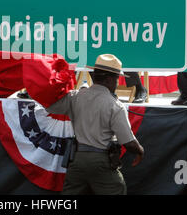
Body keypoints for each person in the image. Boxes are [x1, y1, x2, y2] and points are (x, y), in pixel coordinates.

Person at [46, 54, 144, 195]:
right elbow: (128, 142)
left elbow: (50, 106)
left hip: (77, 160)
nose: (117, 83)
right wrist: (140, 151)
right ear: (110, 79)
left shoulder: (75, 96)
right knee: (117, 190)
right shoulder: (115, 105)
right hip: (101, 162)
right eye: (117, 79)